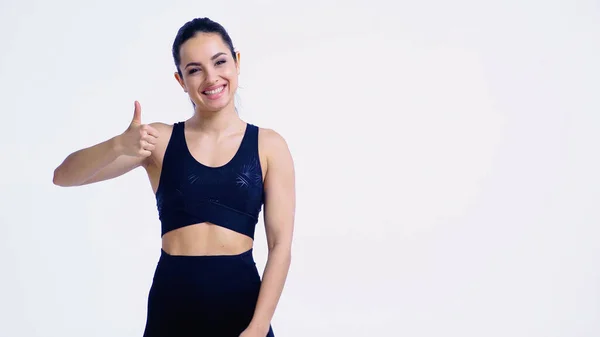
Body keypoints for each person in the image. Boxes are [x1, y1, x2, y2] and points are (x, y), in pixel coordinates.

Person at [53, 17, 295, 337]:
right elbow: (64, 176)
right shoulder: (159, 141)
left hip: (243, 308)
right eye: (195, 69)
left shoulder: (269, 146)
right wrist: (117, 145)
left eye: (219, 62)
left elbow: (280, 246)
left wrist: (259, 326)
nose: (211, 77)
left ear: (236, 63)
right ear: (181, 80)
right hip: (173, 307)